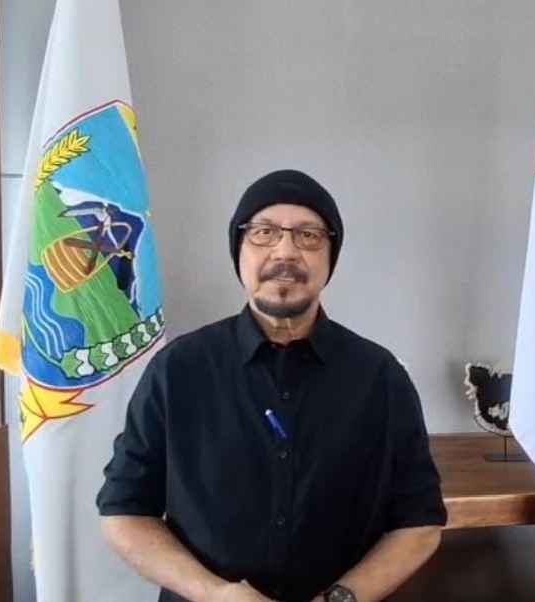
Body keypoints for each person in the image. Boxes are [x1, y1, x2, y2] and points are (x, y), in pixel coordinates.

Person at [96, 169, 447, 602]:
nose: (286, 251)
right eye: (264, 232)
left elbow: (420, 522)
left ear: (330, 256)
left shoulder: (381, 377)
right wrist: (215, 594)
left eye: (308, 236)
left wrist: (340, 598)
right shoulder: (177, 369)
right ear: (239, 250)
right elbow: (124, 513)